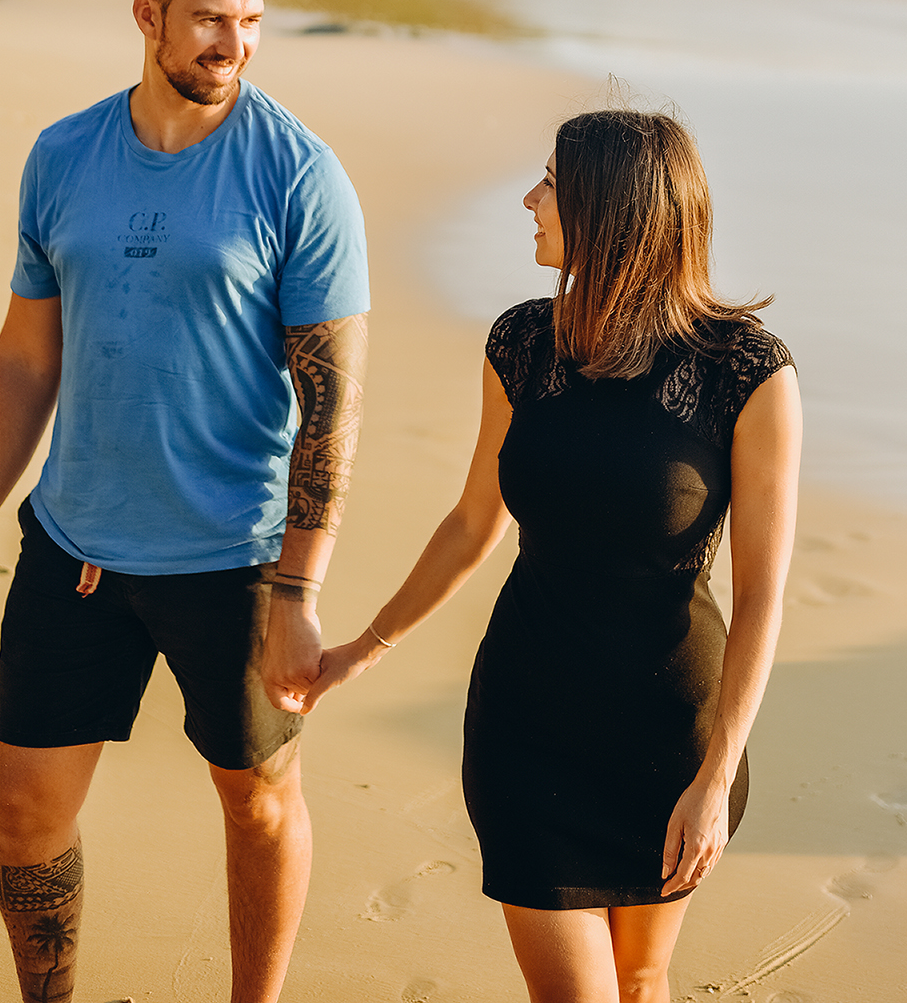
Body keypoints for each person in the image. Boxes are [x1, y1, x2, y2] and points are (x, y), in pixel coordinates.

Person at [0, 0, 371, 1003]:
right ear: (147, 13)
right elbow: (26, 360)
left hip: (233, 558)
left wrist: (299, 584)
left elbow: (332, 403)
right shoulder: (63, 155)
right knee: (23, 815)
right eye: (212, 19)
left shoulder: (298, 175)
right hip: (73, 541)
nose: (235, 42)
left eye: (254, 19)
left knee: (257, 800)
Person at [304, 108, 801, 1003]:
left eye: (551, 184)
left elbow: (763, 593)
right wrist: (361, 649)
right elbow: (472, 520)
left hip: (672, 737)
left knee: (641, 979)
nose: (530, 200)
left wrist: (716, 777)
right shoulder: (523, 342)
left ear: (613, 212)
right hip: (525, 724)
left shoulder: (747, 372)